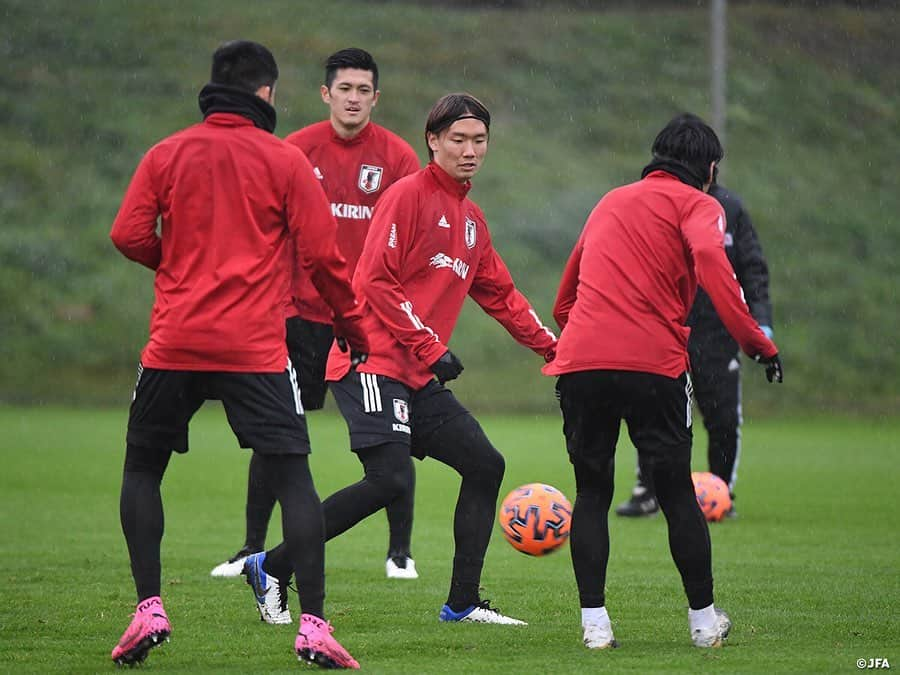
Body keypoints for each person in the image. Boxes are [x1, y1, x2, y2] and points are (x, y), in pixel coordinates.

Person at [240, 92, 558, 627]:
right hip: (368, 361)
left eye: (479, 140)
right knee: (389, 480)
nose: (469, 149)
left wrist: (557, 351)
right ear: (432, 141)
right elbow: (373, 280)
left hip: (414, 373)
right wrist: (431, 346)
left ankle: (462, 603)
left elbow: (503, 296)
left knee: (485, 464)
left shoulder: (472, 220)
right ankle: (272, 567)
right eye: (457, 139)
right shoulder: (407, 196)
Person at [108, 40, 367, 669]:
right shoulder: (284, 162)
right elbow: (324, 260)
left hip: (174, 340)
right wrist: (353, 327)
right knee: (294, 476)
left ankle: (149, 607)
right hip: (253, 346)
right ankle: (312, 625)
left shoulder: (166, 154)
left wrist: (179, 268)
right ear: (268, 93)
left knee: (143, 469)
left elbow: (127, 233)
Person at [543, 113, 782, 651]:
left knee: (592, 492)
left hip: (582, 362)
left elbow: (565, 295)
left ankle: (595, 627)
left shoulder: (610, 200)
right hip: (653, 364)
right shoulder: (702, 204)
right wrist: (757, 342)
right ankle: (702, 625)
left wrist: (589, 339)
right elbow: (711, 262)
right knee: (676, 493)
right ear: (710, 168)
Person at [209, 47, 422, 584]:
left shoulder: (397, 159)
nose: (353, 98)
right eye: (344, 89)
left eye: (363, 90)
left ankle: (400, 553)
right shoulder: (295, 150)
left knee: (393, 436)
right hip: (298, 316)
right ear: (326, 94)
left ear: (377, 97)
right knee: (277, 432)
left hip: (368, 321)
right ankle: (252, 548)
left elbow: (409, 240)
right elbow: (264, 228)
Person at [616, 181, 773, 518]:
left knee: (723, 419)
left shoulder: (730, 207)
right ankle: (649, 490)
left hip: (718, 335)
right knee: (653, 415)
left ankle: (720, 492)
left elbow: (752, 270)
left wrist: (761, 322)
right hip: (664, 332)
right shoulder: (655, 203)